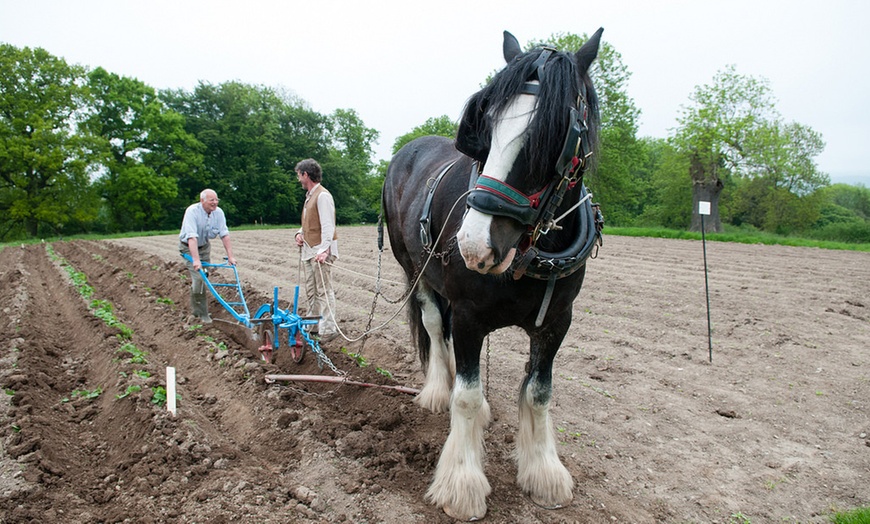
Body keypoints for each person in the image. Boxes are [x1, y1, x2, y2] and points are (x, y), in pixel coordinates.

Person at [294, 158, 339, 341]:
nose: (298, 179)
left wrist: (324, 250)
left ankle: (328, 328)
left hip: (321, 253)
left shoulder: (323, 196)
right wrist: (298, 234)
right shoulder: (309, 196)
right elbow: (308, 223)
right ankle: (313, 325)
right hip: (309, 251)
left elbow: (328, 226)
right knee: (311, 291)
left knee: (324, 290)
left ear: (306, 174)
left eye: (299, 175)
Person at [178, 188, 236, 324]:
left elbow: (224, 234)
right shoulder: (192, 212)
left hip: (204, 247)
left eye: (216, 200)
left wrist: (230, 256)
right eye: (212, 200)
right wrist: (196, 260)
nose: (215, 202)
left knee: (204, 278)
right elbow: (191, 237)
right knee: (199, 278)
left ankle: (199, 309)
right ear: (202, 200)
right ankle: (200, 314)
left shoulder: (219, 213)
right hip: (188, 248)